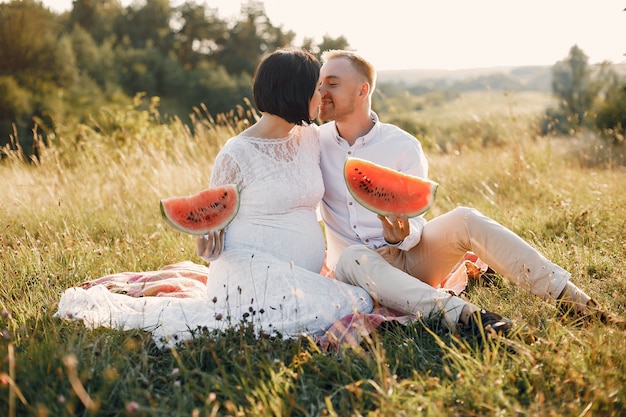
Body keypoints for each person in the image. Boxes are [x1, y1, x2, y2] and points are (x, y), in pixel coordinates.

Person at [56, 48, 373, 344]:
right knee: (352, 303)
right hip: (244, 272)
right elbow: (212, 227)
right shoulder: (237, 153)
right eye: (316, 87)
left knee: (355, 301)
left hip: (298, 274)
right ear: (295, 91)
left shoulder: (310, 139)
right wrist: (205, 246)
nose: (322, 95)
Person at [316, 49, 622, 336]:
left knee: (465, 217)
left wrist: (401, 236)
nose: (322, 92)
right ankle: (473, 318)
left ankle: (578, 303)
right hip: (355, 272)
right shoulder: (313, 143)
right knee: (353, 256)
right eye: (320, 84)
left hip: (407, 261)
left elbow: (417, 222)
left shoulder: (402, 145)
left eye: (332, 83)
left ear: (362, 90)